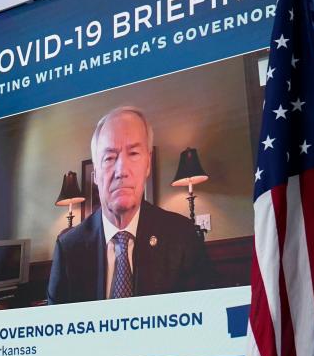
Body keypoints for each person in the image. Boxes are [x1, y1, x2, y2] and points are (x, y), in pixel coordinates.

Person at [47, 106, 211, 305]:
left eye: (133, 153)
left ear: (148, 164)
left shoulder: (182, 237)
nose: (121, 170)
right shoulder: (68, 248)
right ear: (96, 173)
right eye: (109, 158)